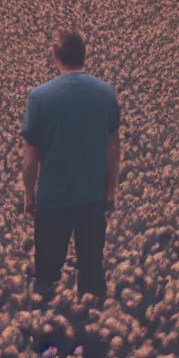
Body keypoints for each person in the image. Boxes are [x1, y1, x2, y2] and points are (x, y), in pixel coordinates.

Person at [21, 29, 121, 305]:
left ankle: (48, 337)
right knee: (91, 273)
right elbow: (113, 149)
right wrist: (110, 189)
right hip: (91, 199)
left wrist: (30, 195)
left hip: (53, 201)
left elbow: (30, 158)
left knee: (46, 277)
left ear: (55, 58)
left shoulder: (39, 97)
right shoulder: (105, 93)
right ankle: (93, 337)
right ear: (84, 56)